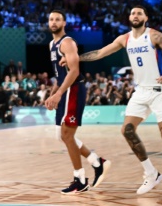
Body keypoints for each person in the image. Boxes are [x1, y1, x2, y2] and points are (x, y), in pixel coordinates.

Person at [77, 5, 162, 200]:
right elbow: (100, 53)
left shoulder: (154, 36)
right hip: (140, 92)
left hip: (158, 91)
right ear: (129, 17)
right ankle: (151, 173)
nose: (135, 15)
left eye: (139, 13)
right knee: (127, 130)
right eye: (132, 13)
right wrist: (75, 58)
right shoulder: (124, 38)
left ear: (146, 17)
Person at [44, 10, 110, 194]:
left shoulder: (67, 42)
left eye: (57, 19)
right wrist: (53, 93)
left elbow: (74, 71)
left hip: (73, 90)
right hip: (64, 90)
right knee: (62, 135)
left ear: (64, 22)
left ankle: (80, 179)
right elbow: (60, 75)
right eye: (51, 19)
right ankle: (97, 162)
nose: (54, 22)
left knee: (67, 135)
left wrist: (59, 94)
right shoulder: (52, 44)